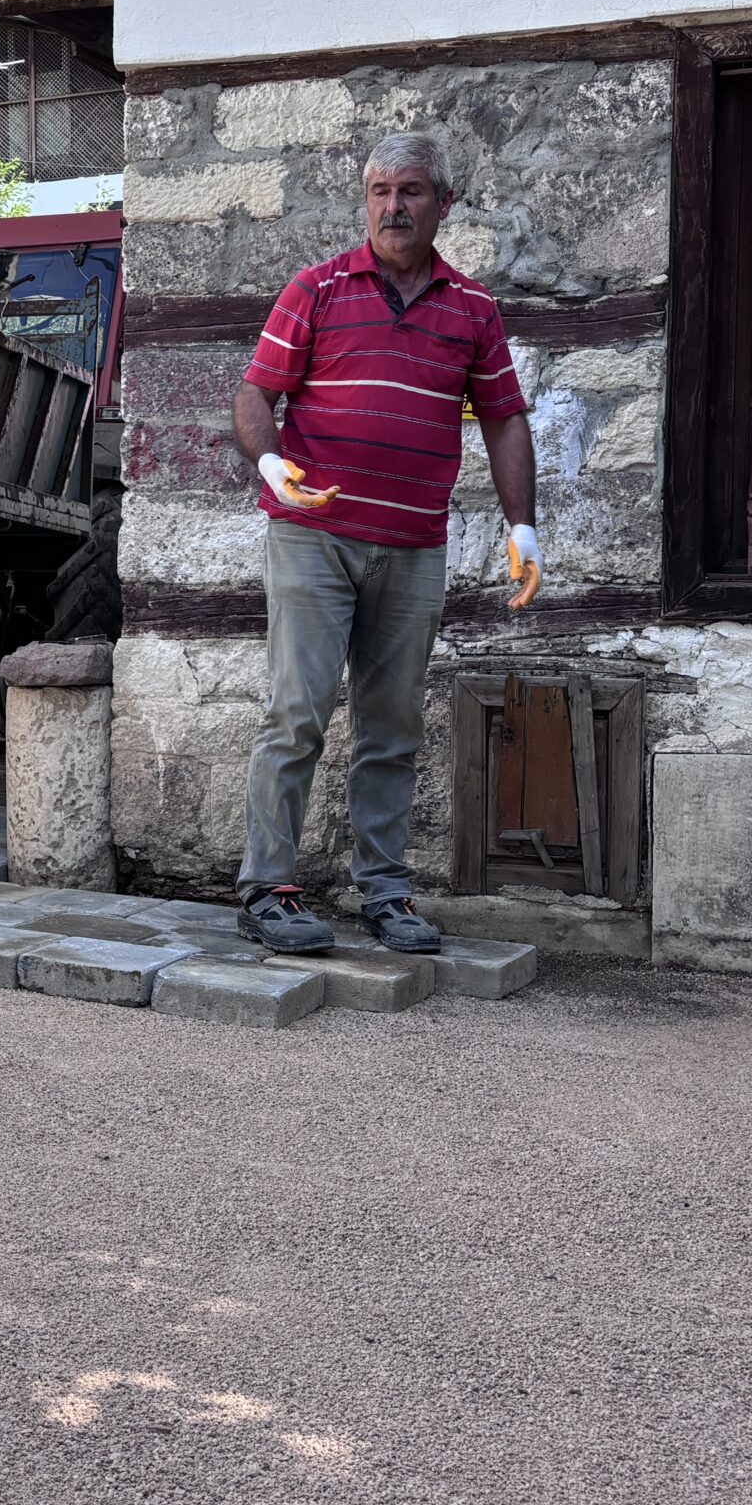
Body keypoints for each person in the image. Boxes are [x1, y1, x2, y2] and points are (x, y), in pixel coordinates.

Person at [228, 132, 542, 957]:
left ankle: (385, 892)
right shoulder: (319, 289)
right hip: (314, 536)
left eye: (410, 191)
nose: (393, 207)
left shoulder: (473, 310)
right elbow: (256, 393)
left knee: (393, 725)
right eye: (379, 192)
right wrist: (272, 464)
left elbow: (506, 419)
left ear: (442, 202)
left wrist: (524, 527)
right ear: (365, 202)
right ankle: (266, 888)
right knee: (296, 712)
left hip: (411, 545)